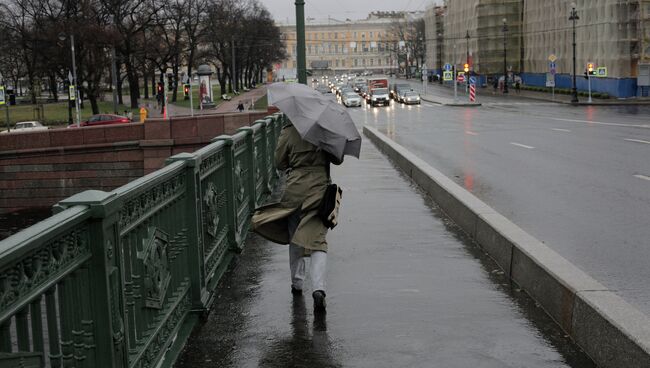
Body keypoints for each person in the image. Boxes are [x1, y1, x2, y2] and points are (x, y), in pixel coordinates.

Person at [252, 120, 342, 312]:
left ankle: (297, 282)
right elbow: (338, 158)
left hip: (295, 191)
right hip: (319, 190)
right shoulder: (324, 130)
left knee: (295, 237)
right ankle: (318, 288)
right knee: (318, 240)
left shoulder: (289, 131)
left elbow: (279, 163)